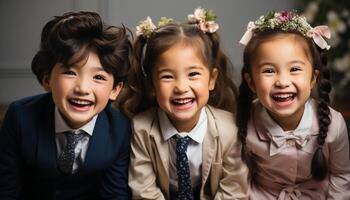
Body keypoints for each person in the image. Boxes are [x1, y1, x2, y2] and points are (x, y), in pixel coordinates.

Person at [118, 7, 248, 200]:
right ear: (152, 85)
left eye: (193, 74)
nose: (181, 87)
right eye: (167, 77)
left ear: (211, 80)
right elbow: (144, 189)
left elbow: (233, 189)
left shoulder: (229, 129)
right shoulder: (142, 128)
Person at [0, 11, 132, 199]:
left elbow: (115, 195)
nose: (82, 88)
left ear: (115, 90)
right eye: (70, 72)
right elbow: (7, 189)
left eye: (99, 77)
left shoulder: (119, 129)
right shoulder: (20, 117)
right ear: (47, 79)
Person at [237, 10, 350, 199]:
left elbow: (341, 175)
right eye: (269, 71)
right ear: (251, 82)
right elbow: (239, 179)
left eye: (295, 69)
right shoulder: (244, 123)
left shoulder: (334, 124)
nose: (282, 82)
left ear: (313, 78)